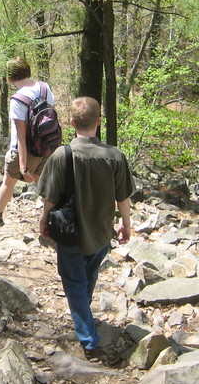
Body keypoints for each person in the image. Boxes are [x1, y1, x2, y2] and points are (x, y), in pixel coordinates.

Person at [36, 97, 134, 365]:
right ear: (99, 122)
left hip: (70, 233)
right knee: (86, 277)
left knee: (75, 283)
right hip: (102, 233)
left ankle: (89, 341)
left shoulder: (61, 155)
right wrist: (126, 223)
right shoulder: (114, 156)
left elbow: (50, 196)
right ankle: (85, 319)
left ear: (71, 123)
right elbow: (123, 197)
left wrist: (44, 220)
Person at [0, 57, 56, 227]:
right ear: (28, 71)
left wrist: (22, 166)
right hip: (47, 146)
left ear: (11, 79)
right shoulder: (45, 88)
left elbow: (21, 135)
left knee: (8, 182)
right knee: (43, 184)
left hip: (24, 150)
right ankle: (55, 219)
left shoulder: (18, 99)